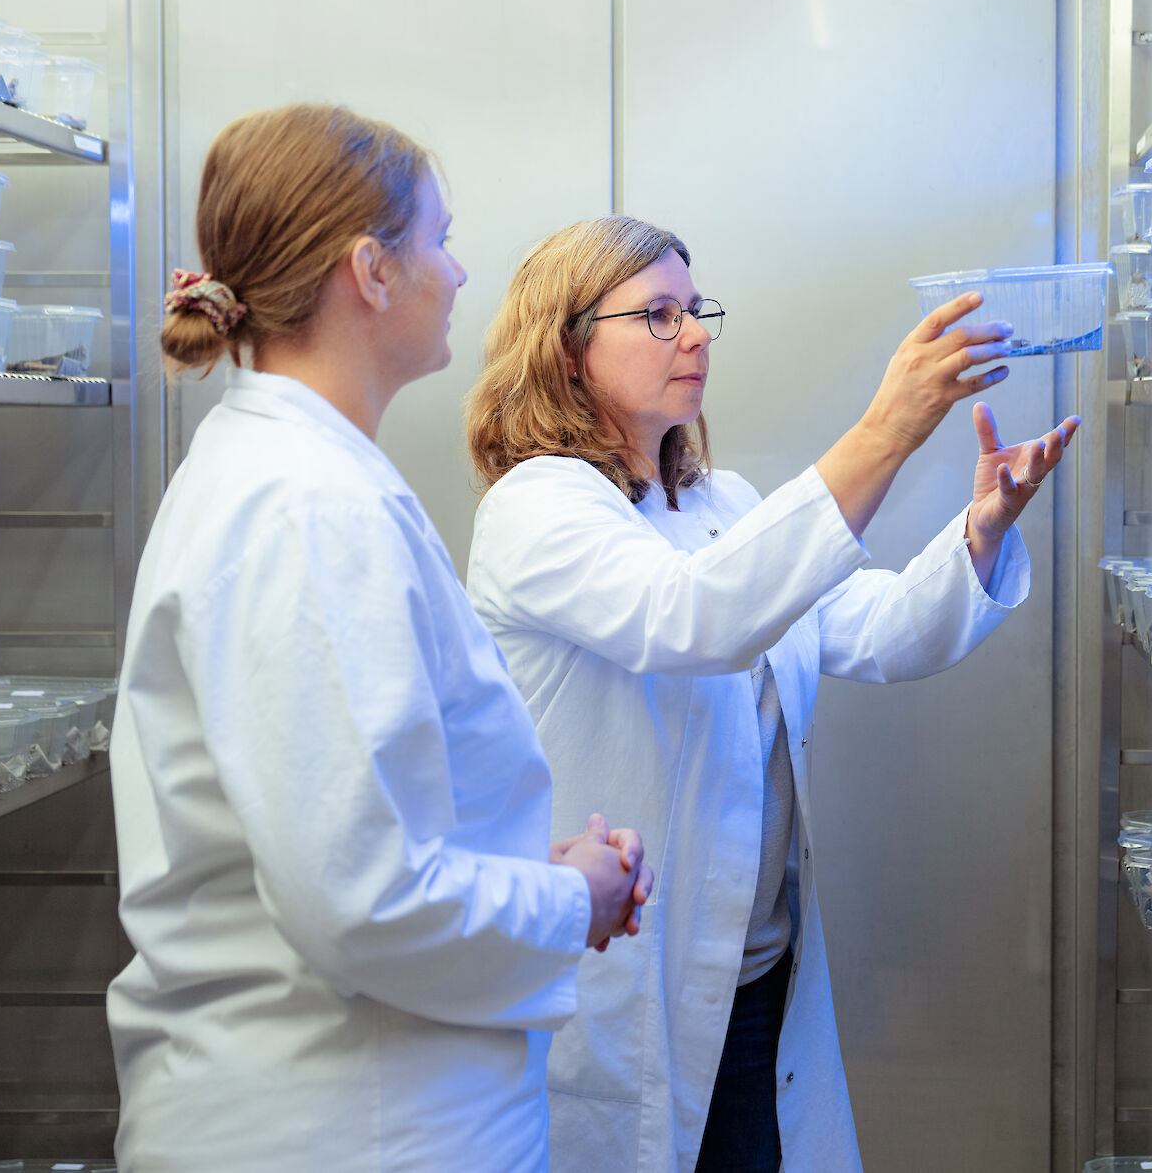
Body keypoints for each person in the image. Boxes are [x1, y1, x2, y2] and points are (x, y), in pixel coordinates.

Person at [461, 215, 1079, 1173]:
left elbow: (876, 629)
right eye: (658, 315)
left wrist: (982, 531)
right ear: (567, 348)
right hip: (628, 987)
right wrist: (887, 429)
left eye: (694, 309)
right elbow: (692, 617)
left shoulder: (722, 505)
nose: (695, 335)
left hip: (758, 984)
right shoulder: (536, 507)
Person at [107, 105, 653, 1172]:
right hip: (351, 1122)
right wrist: (570, 896)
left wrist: (514, 868)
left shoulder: (290, 473)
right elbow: (360, 903)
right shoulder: (309, 507)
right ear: (370, 269)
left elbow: (337, 832)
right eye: (438, 239)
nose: (457, 271)